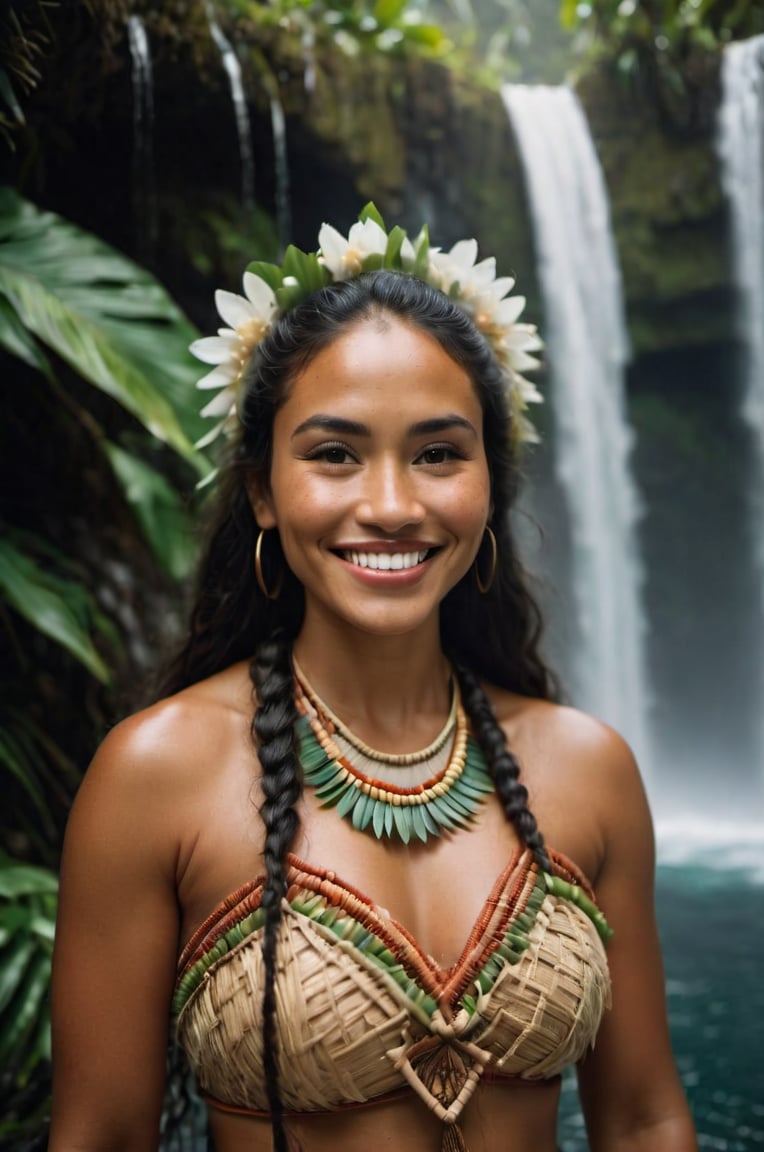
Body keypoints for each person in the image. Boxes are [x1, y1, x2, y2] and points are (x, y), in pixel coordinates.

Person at [49, 205, 697, 1152]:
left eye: (438, 454)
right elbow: (100, 1138)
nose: (391, 506)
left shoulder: (588, 769)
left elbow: (644, 1121)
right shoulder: (155, 777)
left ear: (490, 485)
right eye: (334, 454)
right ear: (264, 490)